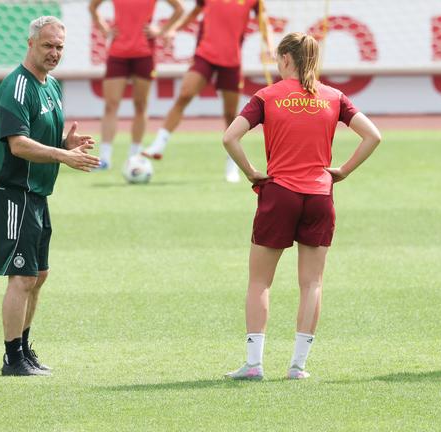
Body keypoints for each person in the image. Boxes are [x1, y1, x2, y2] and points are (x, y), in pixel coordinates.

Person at [221, 32, 381, 380]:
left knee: (260, 282)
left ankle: (253, 364)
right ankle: (297, 366)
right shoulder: (334, 97)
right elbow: (373, 135)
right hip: (320, 197)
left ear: (285, 60)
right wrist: (343, 171)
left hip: (279, 194)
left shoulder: (267, 96)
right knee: (312, 284)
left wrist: (251, 172)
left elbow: (229, 137)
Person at [0, 16, 100, 376]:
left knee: (39, 275)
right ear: (31, 43)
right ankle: (12, 358)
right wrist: (63, 155)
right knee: (21, 277)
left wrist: (65, 144)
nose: (54, 53)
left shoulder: (50, 85)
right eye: (48, 45)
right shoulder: (15, 87)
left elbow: (41, 139)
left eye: (60, 47)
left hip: (37, 194)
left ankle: (23, 348)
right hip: (14, 194)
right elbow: (18, 145)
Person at [142, 0, 273, 183]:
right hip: (205, 55)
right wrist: (175, 29)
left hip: (231, 61)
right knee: (185, 94)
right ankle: (158, 144)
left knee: (230, 115)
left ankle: (232, 163)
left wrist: (270, 45)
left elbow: (263, 20)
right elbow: (194, 13)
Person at [89, 0, 184, 170]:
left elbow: (179, 8)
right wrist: (104, 29)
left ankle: (134, 156)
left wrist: (161, 30)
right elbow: (92, 6)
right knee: (111, 105)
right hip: (118, 53)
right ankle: (104, 157)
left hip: (144, 53)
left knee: (140, 105)